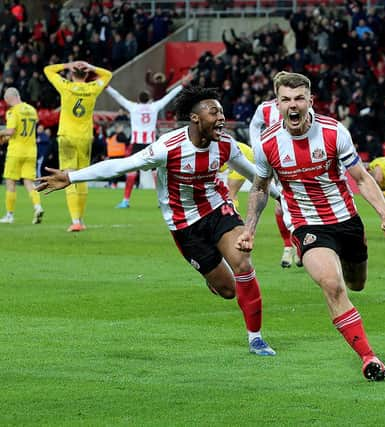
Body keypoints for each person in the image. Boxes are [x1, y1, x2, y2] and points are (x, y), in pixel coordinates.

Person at [36, 86, 278, 356]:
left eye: (221, 111)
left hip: (218, 210)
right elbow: (120, 165)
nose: (221, 117)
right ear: (195, 118)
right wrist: (72, 177)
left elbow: (257, 178)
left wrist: (286, 199)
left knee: (243, 262)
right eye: (214, 112)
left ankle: (255, 338)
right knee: (228, 291)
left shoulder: (225, 144)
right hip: (184, 225)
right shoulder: (168, 148)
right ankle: (214, 276)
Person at [236, 72, 385, 381]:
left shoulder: (335, 132)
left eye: (299, 99)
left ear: (310, 101)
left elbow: (361, 178)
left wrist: (383, 212)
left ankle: (354, 324)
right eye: (286, 100)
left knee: (356, 284)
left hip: (346, 220)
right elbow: (259, 188)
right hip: (307, 224)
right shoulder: (268, 143)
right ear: (277, 103)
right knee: (331, 284)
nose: (292, 106)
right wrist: (249, 229)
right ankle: (368, 357)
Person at [106, 71, 193, 208]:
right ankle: (162, 201)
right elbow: (169, 96)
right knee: (156, 173)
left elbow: (119, 97)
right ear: (149, 99)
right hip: (151, 144)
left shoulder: (133, 107)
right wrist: (182, 84)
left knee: (131, 173)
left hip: (137, 144)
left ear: (139, 99)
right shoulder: (154, 106)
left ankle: (126, 200)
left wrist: (107, 87)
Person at [44, 60, 112, 232]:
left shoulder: (65, 85)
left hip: (67, 137)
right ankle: (80, 220)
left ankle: (75, 221)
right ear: (87, 74)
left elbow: (48, 70)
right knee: (82, 177)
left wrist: (67, 65)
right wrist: (92, 67)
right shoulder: (93, 88)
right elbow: (108, 75)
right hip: (85, 138)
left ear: (72, 74)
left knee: (68, 175)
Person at [248, 71, 303, 268]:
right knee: (281, 204)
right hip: (274, 160)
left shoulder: (298, 105)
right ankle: (289, 246)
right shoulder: (265, 108)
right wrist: (257, 147)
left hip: (298, 159)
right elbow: (254, 126)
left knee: (298, 202)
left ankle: (299, 244)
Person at [0, 87, 44, 224]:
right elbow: (24, 132)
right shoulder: (32, 110)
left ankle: (9, 215)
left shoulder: (13, 112)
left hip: (16, 151)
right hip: (31, 151)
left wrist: (1, 133)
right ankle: (38, 207)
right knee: (29, 182)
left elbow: (11, 131)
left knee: (10, 181)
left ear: (8, 99)